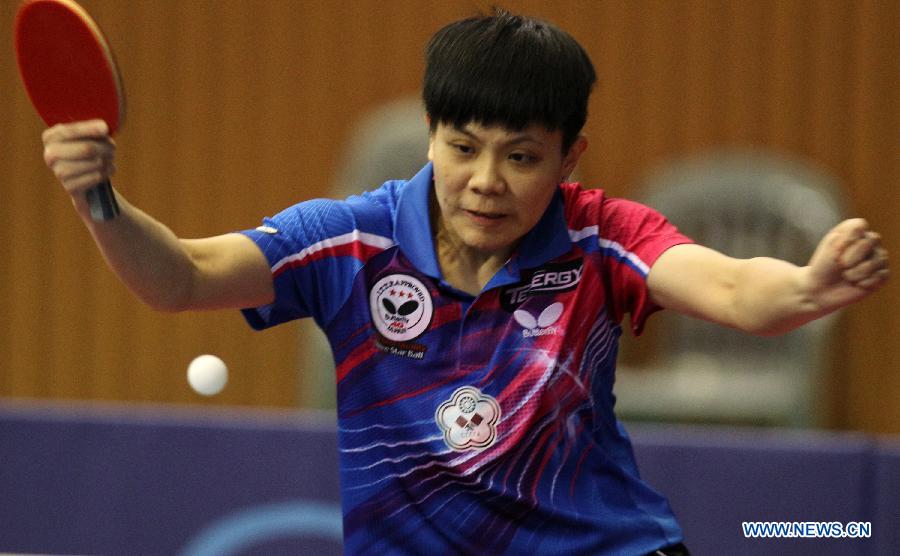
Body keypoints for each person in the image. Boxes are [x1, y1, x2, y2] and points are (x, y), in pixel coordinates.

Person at [41, 9, 888, 556]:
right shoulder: (349, 239)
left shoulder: (600, 237)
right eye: (463, 146)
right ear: (431, 134)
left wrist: (811, 288)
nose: (487, 180)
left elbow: (736, 290)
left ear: (567, 159)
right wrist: (100, 202)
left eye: (521, 157)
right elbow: (182, 277)